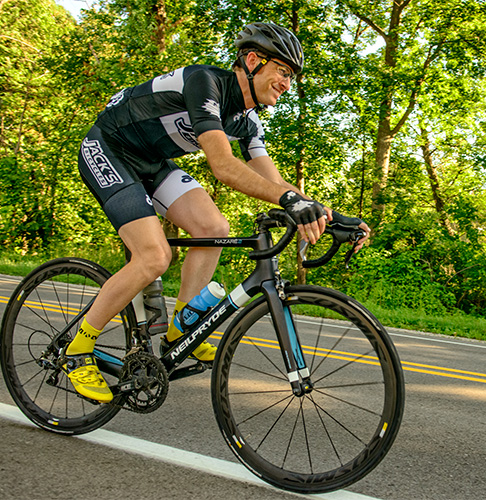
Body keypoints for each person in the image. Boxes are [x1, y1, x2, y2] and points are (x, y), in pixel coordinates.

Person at [64, 22, 370, 403]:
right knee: (155, 256)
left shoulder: (248, 121)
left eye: (292, 77)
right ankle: (76, 352)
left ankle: (181, 328)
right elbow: (223, 167)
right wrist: (291, 202)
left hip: (152, 161)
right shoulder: (204, 83)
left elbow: (276, 184)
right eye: (283, 71)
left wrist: (327, 213)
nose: (287, 83)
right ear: (254, 61)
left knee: (213, 226)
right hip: (108, 147)